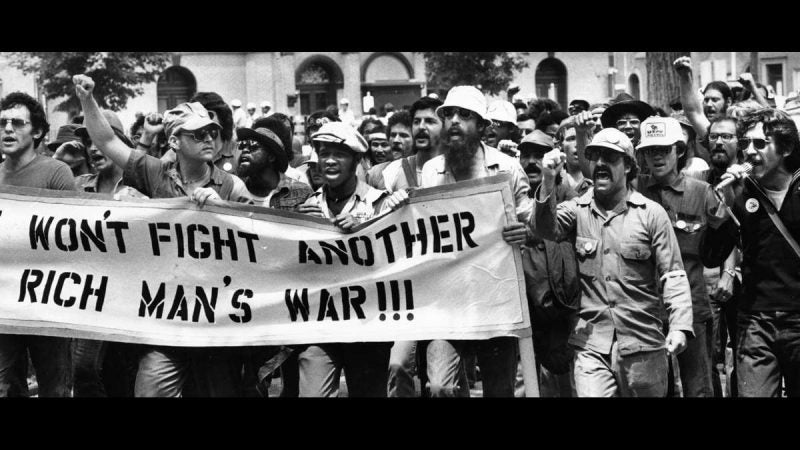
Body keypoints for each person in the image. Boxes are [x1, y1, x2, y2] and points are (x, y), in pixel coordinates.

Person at [73, 74, 252, 397]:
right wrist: (87, 100)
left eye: (212, 132)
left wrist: (226, 211)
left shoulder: (230, 186)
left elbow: (260, 242)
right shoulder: (155, 173)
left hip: (216, 324)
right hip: (166, 322)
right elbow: (107, 141)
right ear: (174, 142)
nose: (209, 139)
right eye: (197, 134)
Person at [532, 127, 694, 397]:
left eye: (610, 157)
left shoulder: (651, 214)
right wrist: (549, 181)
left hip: (642, 343)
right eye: (595, 157)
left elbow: (673, 275)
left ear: (629, 166)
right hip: (591, 343)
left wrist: (679, 326)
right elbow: (546, 229)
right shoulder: (577, 209)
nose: (600, 164)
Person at [419, 85, 533, 397]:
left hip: (497, 297)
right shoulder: (430, 172)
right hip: (448, 300)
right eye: (448, 114)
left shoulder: (507, 168)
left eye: (465, 115)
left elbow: (530, 221)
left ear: (482, 126)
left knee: (499, 389)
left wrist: (525, 232)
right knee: (440, 385)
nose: (454, 121)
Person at [292, 121, 406, 397]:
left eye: (339, 154)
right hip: (320, 323)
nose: (329, 161)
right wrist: (301, 226)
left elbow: (401, 258)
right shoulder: (309, 206)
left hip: (367, 325)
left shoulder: (381, 203)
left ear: (356, 159)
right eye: (323, 153)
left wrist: (367, 228)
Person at [701, 108, 800, 397]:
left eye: (761, 144)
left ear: (786, 148)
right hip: (756, 320)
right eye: (745, 145)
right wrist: (724, 214)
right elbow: (710, 256)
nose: (750, 153)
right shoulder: (742, 192)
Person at [635, 116, 723, 397]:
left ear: (680, 150)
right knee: (654, 389)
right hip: (646, 311)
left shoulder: (701, 192)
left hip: (693, 307)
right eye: (650, 151)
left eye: (664, 149)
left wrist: (729, 273)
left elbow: (728, 238)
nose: (657, 156)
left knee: (699, 388)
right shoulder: (633, 191)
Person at [0, 92, 76, 398]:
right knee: (5, 387)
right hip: (4, 303)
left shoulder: (56, 173)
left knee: (55, 389)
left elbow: (73, 236)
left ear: (38, 131)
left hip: (49, 302)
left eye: (17, 123)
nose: (7, 129)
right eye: (2, 122)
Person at [72, 109, 147, 398]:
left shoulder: (142, 187)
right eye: (86, 141)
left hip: (129, 302)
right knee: (84, 371)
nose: (93, 147)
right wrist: (61, 159)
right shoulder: (78, 186)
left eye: (99, 139)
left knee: (122, 378)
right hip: (88, 300)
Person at [368, 111, 412, 189]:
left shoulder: (428, 170)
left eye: (403, 135)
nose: (396, 140)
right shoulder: (375, 173)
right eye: (393, 135)